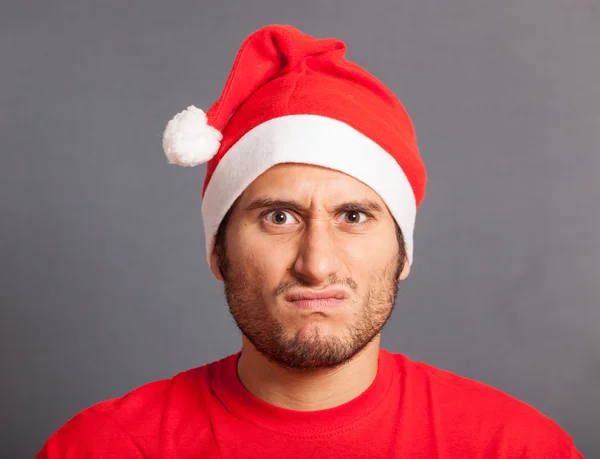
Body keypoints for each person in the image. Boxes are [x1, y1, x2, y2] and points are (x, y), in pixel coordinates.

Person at [36, 24, 584, 458]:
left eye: (353, 215)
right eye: (278, 217)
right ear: (217, 250)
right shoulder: (104, 447)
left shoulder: (515, 447)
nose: (316, 264)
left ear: (402, 253)